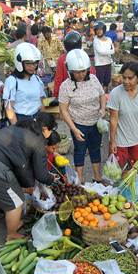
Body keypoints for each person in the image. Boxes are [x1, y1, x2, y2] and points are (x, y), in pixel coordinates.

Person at [0, 114, 59, 240]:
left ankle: (11, 220)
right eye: (50, 131)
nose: (49, 135)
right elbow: (41, 175)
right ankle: (11, 234)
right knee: (16, 202)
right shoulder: (38, 139)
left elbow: (21, 164)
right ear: (45, 129)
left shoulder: (20, 127)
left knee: (12, 193)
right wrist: (51, 178)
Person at [58, 49, 105, 183]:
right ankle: (80, 179)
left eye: (83, 71)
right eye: (77, 72)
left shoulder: (94, 79)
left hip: (96, 123)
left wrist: (102, 108)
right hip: (78, 124)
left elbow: (102, 95)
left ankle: (97, 177)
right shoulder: (65, 86)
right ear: (70, 70)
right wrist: (74, 129)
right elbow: (64, 110)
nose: (81, 74)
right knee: (80, 151)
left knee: (95, 149)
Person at [108, 62, 138, 167]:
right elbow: (113, 120)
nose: (126, 81)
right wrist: (112, 141)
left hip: (136, 140)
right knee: (119, 173)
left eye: (130, 78)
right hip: (120, 142)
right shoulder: (115, 93)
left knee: (135, 172)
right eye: (124, 77)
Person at [4, 42, 45, 124]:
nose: (32, 66)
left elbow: (42, 100)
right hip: (21, 121)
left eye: (34, 63)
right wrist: (17, 128)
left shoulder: (37, 79)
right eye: (28, 63)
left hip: (37, 119)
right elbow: (9, 108)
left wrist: (43, 120)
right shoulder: (12, 81)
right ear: (20, 63)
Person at [93, 22, 114, 90]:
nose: (99, 31)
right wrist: (110, 51)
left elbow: (112, 50)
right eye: (97, 30)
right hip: (100, 64)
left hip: (108, 63)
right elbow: (101, 52)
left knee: (107, 81)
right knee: (99, 82)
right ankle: (100, 96)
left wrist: (110, 51)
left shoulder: (109, 39)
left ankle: (105, 94)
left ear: (103, 30)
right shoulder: (96, 40)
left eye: (100, 29)